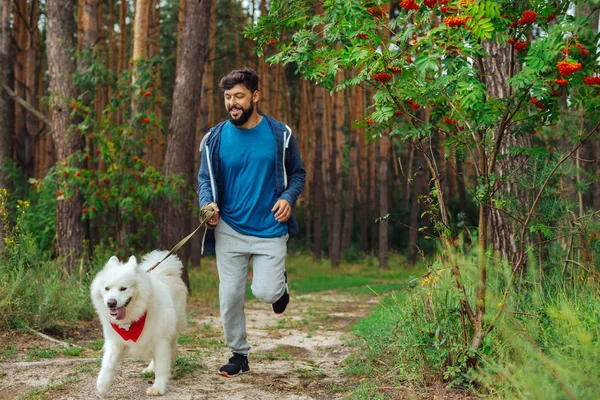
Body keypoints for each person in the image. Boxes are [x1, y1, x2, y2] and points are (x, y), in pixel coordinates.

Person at [196, 68, 306, 377]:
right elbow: (204, 179)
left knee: (266, 293)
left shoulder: (279, 134)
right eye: (228, 97)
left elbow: (298, 173)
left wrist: (288, 197)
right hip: (229, 227)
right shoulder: (213, 138)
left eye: (239, 96)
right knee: (230, 296)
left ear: (255, 97)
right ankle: (239, 355)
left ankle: (279, 287)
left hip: (270, 228)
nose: (233, 103)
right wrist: (208, 204)